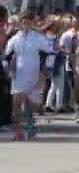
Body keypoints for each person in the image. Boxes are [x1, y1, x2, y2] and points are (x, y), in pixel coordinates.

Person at [5, 12, 52, 140]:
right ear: (20, 23)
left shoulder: (39, 38)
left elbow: (49, 55)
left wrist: (43, 72)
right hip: (18, 75)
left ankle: (31, 129)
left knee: (30, 106)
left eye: (28, 22)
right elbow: (6, 56)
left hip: (34, 73)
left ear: (32, 23)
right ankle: (19, 132)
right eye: (24, 22)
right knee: (16, 104)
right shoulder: (14, 39)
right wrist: (9, 68)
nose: (26, 24)